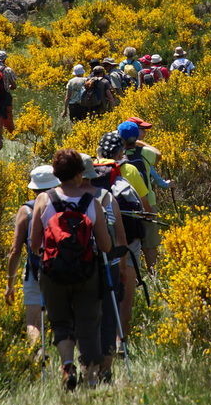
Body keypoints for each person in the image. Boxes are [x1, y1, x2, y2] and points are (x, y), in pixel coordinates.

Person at [29, 149, 112, 391]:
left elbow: (34, 244)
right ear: (79, 174)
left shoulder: (44, 200)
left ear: (56, 174)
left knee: (61, 321)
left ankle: (66, 365)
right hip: (87, 271)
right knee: (88, 321)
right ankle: (91, 375)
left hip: (53, 271)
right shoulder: (92, 203)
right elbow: (105, 245)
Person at [79, 153, 130, 384]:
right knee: (109, 317)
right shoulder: (106, 197)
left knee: (84, 318)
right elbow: (121, 238)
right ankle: (106, 370)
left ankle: (87, 370)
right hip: (108, 265)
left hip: (77, 268)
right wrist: (121, 268)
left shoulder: (61, 199)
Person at [97, 130, 151, 338]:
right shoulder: (128, 169)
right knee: (126, 291)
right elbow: (143, 204)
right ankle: (122, 339)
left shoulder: (89, 172)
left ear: (98, 150)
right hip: (128, 239)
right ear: (122, 151)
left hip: (98, 243)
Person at [5, 164, 60, 351]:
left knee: (33, 321)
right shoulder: (68, 204)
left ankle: (38, 354)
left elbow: (15, 250)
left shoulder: (26, 210)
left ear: (34, 188)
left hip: (35, 270)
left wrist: (9, 284)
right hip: (66, 268)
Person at [122, 117, 166, 269]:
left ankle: (132, 275)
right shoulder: (145, 152)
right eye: (142, 131)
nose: (145, 134)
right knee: (150, 244)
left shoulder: (115, 153)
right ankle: (152, 275)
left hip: (124, 206)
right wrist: (140, 144)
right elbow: (159, 155)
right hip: (148, 202)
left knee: (128, 243)